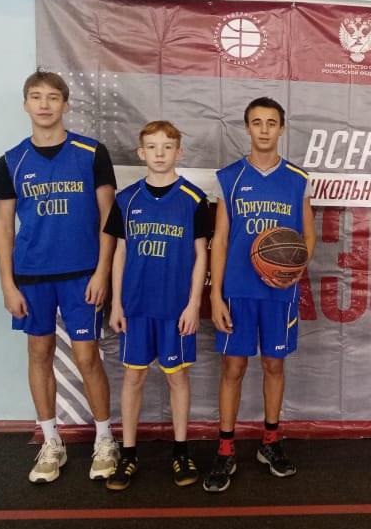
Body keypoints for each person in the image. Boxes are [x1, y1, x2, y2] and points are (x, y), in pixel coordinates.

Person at [0, 70, 119, 483]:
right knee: (39, 353)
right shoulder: (11, 161)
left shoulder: (91, 152)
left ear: (66, 104)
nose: (44, 104)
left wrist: (102, 272)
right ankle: (51, 442)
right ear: (25, 104)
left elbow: (109, 218)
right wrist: (8, 284)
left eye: (52, 97)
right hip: (32, 276)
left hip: (82, 274)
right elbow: (4, 227)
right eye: (36, 96)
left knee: (87, 356)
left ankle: (105, 439)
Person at [203, 97, 316, 493]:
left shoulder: (297, 178)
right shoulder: (230, 177)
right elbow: (219, 239)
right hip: (237, 290)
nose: (264, 129)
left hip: (279, 292)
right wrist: (215, 295)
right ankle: (225, 449)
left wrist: (294, 271)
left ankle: (270, 442)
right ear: (247, 127)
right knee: (233, 368)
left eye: (271, 122)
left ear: (282, 128)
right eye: (257, 122)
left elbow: (308, 235)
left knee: (273, 365)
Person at [104, 121, 210, 490]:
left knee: (177, 377)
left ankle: (181, 452)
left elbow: (201, 255)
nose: (160, 153)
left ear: (179, 152)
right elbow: (119, 253)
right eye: (152, 147)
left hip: (175, 308)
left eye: (167, 147)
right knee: (133, 377)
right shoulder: (126, 199)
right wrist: (116, 304)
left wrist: (194, 304)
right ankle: (128, 454)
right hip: (136, 306)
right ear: (141, 152)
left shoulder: (194, 199)